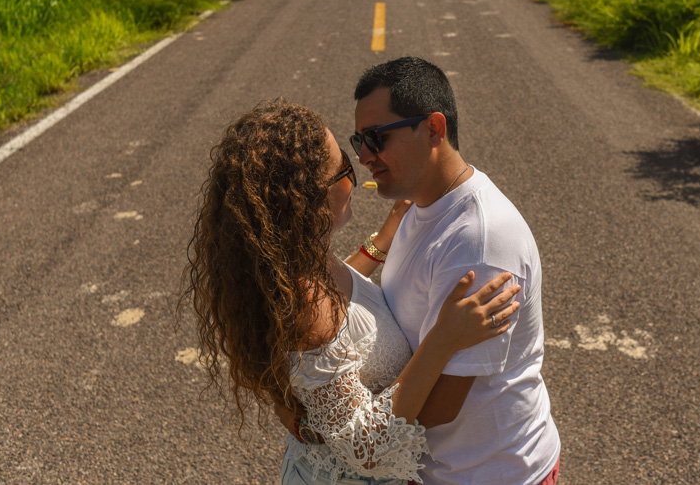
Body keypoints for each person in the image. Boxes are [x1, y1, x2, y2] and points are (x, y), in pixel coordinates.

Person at [181, 99, 522, 484]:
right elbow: (368, 450)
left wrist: (380, 242)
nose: (359, 166)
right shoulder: (306, 302)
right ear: (305, 200)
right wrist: (444, 339)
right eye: (343, 167)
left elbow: (341, 306)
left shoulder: (293, 259)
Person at [347, 57, 561, 485]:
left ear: (434, 129)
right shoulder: (422, 206)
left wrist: (348, 425)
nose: (365, 156)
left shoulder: (476, 244)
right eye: (358, 141)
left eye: (376, 138)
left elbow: (443, 406)